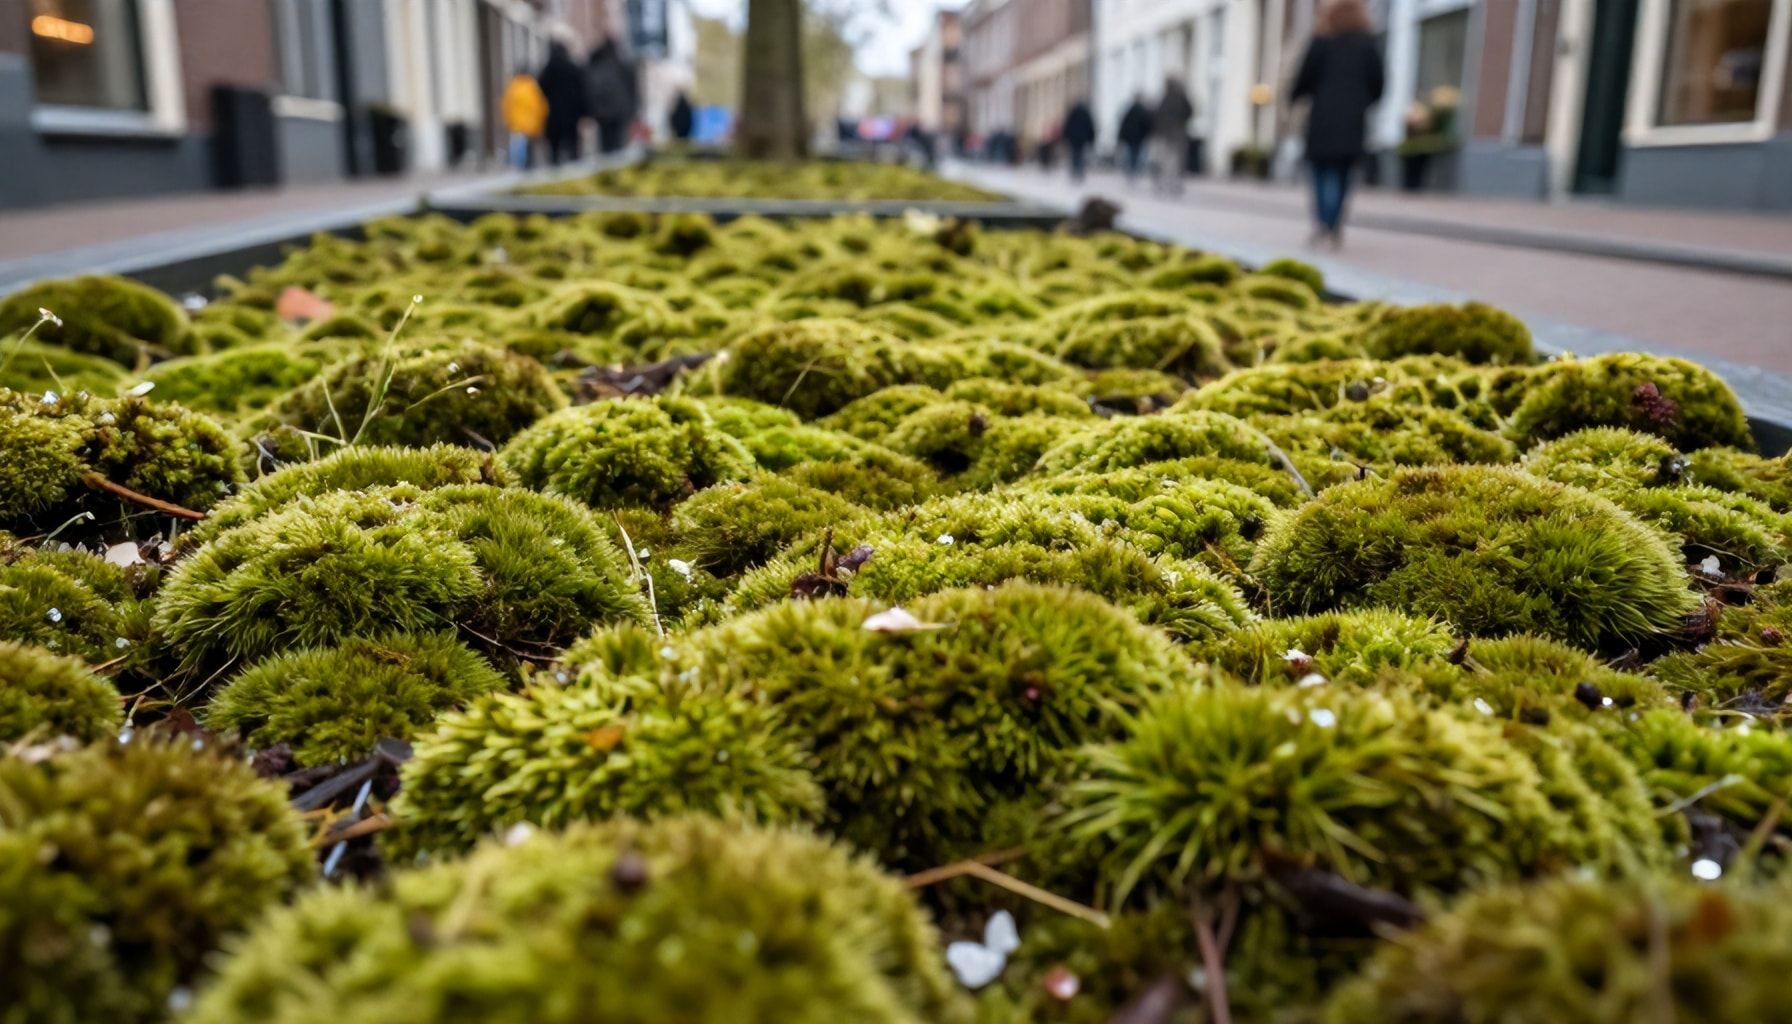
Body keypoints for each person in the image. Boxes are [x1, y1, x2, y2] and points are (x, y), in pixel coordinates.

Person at [1292, 0, 1385, 247]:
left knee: (1321, 172)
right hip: (1352, 120)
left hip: (1322, 118)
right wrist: (1364, 101)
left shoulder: (1322, 42)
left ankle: (1324, 221)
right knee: (1343, 174)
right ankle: (1334, 222)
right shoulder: (1368, 44)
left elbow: (1303, 78)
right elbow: (1378, 83)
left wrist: (1295, 97)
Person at [586, 36, 639, 155]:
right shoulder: (622, 63)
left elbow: (589, 89)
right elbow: (632, 89)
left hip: (602, 114)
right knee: (619, 146)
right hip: (620, 112)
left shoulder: (596, 64)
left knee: (606, 146)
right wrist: (632, 111)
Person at [538, 42, 586, 165]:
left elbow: (541, 87)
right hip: (571, 115)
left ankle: (555, 170)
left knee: (555, 149)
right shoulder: (573, 67)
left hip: (554, 114)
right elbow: (582, 89)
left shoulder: (548, 69)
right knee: (573, 147)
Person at [1151, 77, 1194, 195]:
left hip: (1165, 134)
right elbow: (1190, 112)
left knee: (1165, 160)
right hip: (1177, 133)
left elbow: (1156, 115)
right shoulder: (1182, 98)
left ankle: (1164, 182)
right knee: (1176, 161)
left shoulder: (1164, 99)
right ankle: (1173, 183)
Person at [501, 65, 547, 169]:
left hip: (517, 125)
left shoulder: (512, 88)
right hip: (531, 125)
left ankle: (518, 167)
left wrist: (508, 121)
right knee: (530, 149)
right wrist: (541, 122)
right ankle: (528, 167)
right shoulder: (533, 87)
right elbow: (540, 106)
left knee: (517, 148)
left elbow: (506, 107)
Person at [1117, 94, 1152, 182]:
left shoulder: (1130, 110)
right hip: (1139, 138)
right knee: (1137, 155)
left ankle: (1131, 172)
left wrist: (1122, 136)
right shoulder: (1143, 111)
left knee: (1131, 155)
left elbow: (1124, 124)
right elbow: (1147, 125)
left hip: (1131, 138)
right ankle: (1134, 172)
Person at [1062, 99, 1096, 183]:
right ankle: (1080, 172)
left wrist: (1066, 137)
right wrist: (1091, 139)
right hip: (1082, 139)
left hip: (1074, 139)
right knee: (1081, 156)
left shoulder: (1073, 113)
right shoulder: (1086, 114)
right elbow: (1090, 127)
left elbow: (1068, 126)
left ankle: (1074, 172)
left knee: (1074, 155)